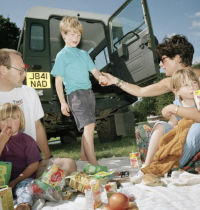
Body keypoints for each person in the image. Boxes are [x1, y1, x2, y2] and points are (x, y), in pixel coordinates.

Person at [99, 34, 200, 171]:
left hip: (196, 133)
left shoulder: (197, 80)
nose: (160, 64)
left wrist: (174, 109)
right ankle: (151, 165)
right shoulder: (171, 83)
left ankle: (169, 166)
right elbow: (141, 91)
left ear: (177, 58)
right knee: (149, 128)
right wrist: (115, 81)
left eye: (163, 59)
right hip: (181, 134)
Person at [0, 48, 77, 176]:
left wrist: (47, 157)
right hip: (3, 167)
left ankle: (29, 185)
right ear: (3, 70)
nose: (25, 74)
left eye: (24, 69)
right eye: (20, 70)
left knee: (68, 165)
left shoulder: (29, 92)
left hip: (31, 164)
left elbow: (37, 126)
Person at [51, 16, 107, 165]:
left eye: (78, 34)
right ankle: (94, 163)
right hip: (75, 95)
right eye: (72, 34)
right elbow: (58, 80)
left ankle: (83, 157)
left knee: (89, 126)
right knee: (88, 126)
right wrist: (63, 102)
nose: (76, 37)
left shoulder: (83, 54)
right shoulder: (62, 56)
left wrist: (101, 78)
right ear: (64, 35)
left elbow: (94, 71)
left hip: (89, 93)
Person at [131, 69, 200, 183]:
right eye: (186, 85)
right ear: (177, 92)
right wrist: (171, 140)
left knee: (196, 128)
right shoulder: (177, 104)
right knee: (160, 125)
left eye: (194, 82)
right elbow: (172, 127)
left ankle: (171, 166)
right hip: (179, 140)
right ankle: (146, 166)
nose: (192, 87)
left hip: (192, 140)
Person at [0, 103, 42, 210]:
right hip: (2, 181)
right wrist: (2, 141)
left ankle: (23, 205)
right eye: (4, 119)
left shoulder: (27, 140)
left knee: (26, 189)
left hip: (22, 178)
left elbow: (34, 164)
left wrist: (16, 180)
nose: (9, 122)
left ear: (20, 122)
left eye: (14, 118)